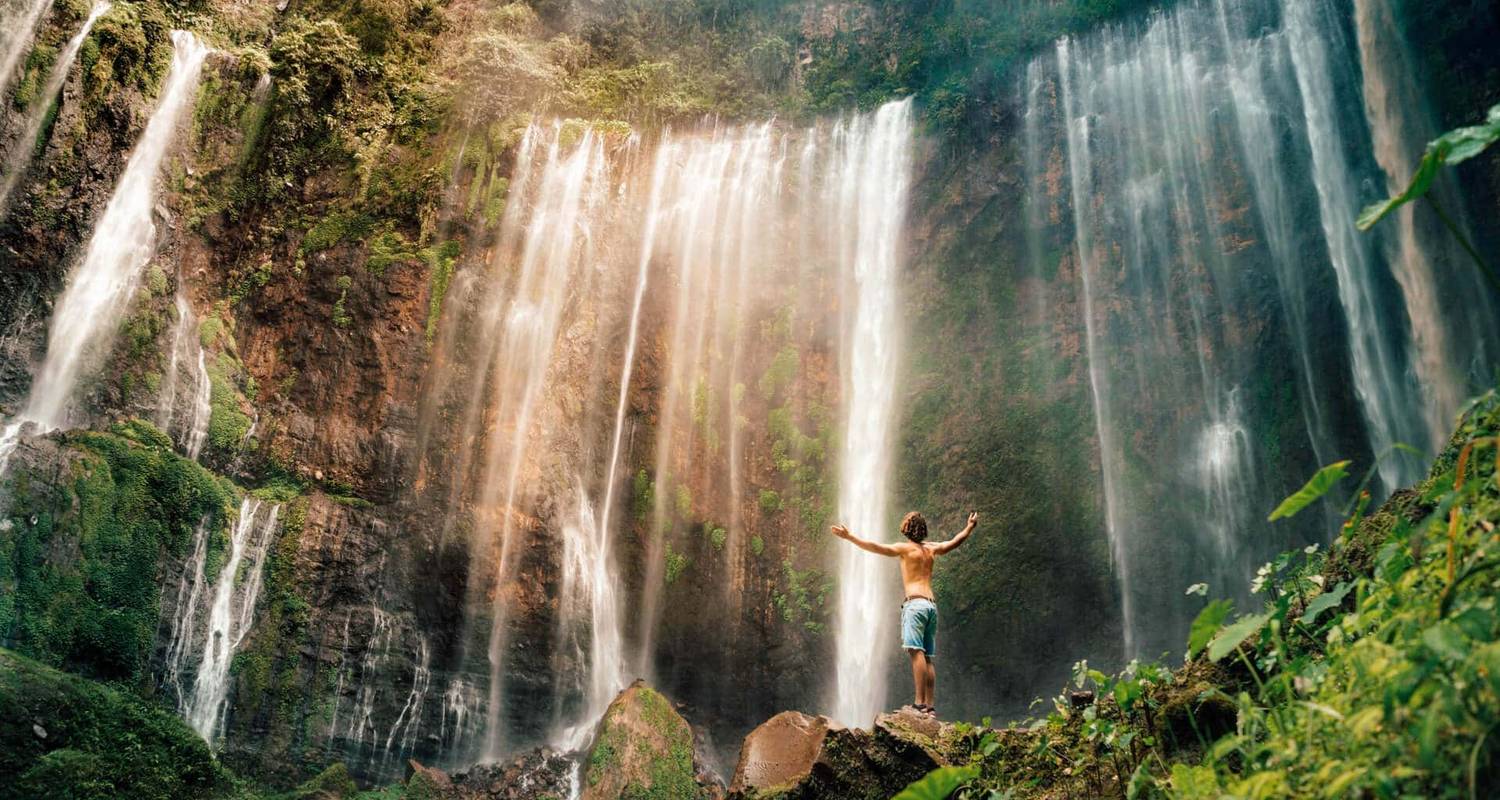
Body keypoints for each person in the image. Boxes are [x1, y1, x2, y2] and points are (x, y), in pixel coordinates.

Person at [830, 510, 979, 718]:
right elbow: (955, 541)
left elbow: (875, 547)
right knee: (927, 656)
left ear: (908, 527)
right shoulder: (931, 549)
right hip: (930, 606)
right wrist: (970, 526)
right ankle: (930, 706)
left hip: (915, 604)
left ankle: (918, 705)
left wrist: (850, 537)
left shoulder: (905, 549)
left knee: (915, 651)